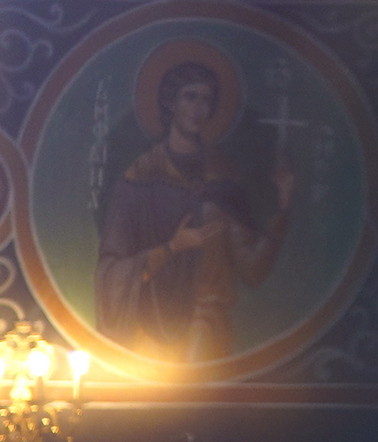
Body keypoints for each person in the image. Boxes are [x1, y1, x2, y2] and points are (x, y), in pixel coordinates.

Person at [93, 58, 292, 363]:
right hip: (150, 329)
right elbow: (110, 272)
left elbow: (251, 268)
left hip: (207, 327)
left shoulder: (223, 176)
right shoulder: (138, 179)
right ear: (171, 103)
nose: (199, 109)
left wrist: (284, 205)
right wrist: (173, 248)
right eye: (190, 97)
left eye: (207, 100)